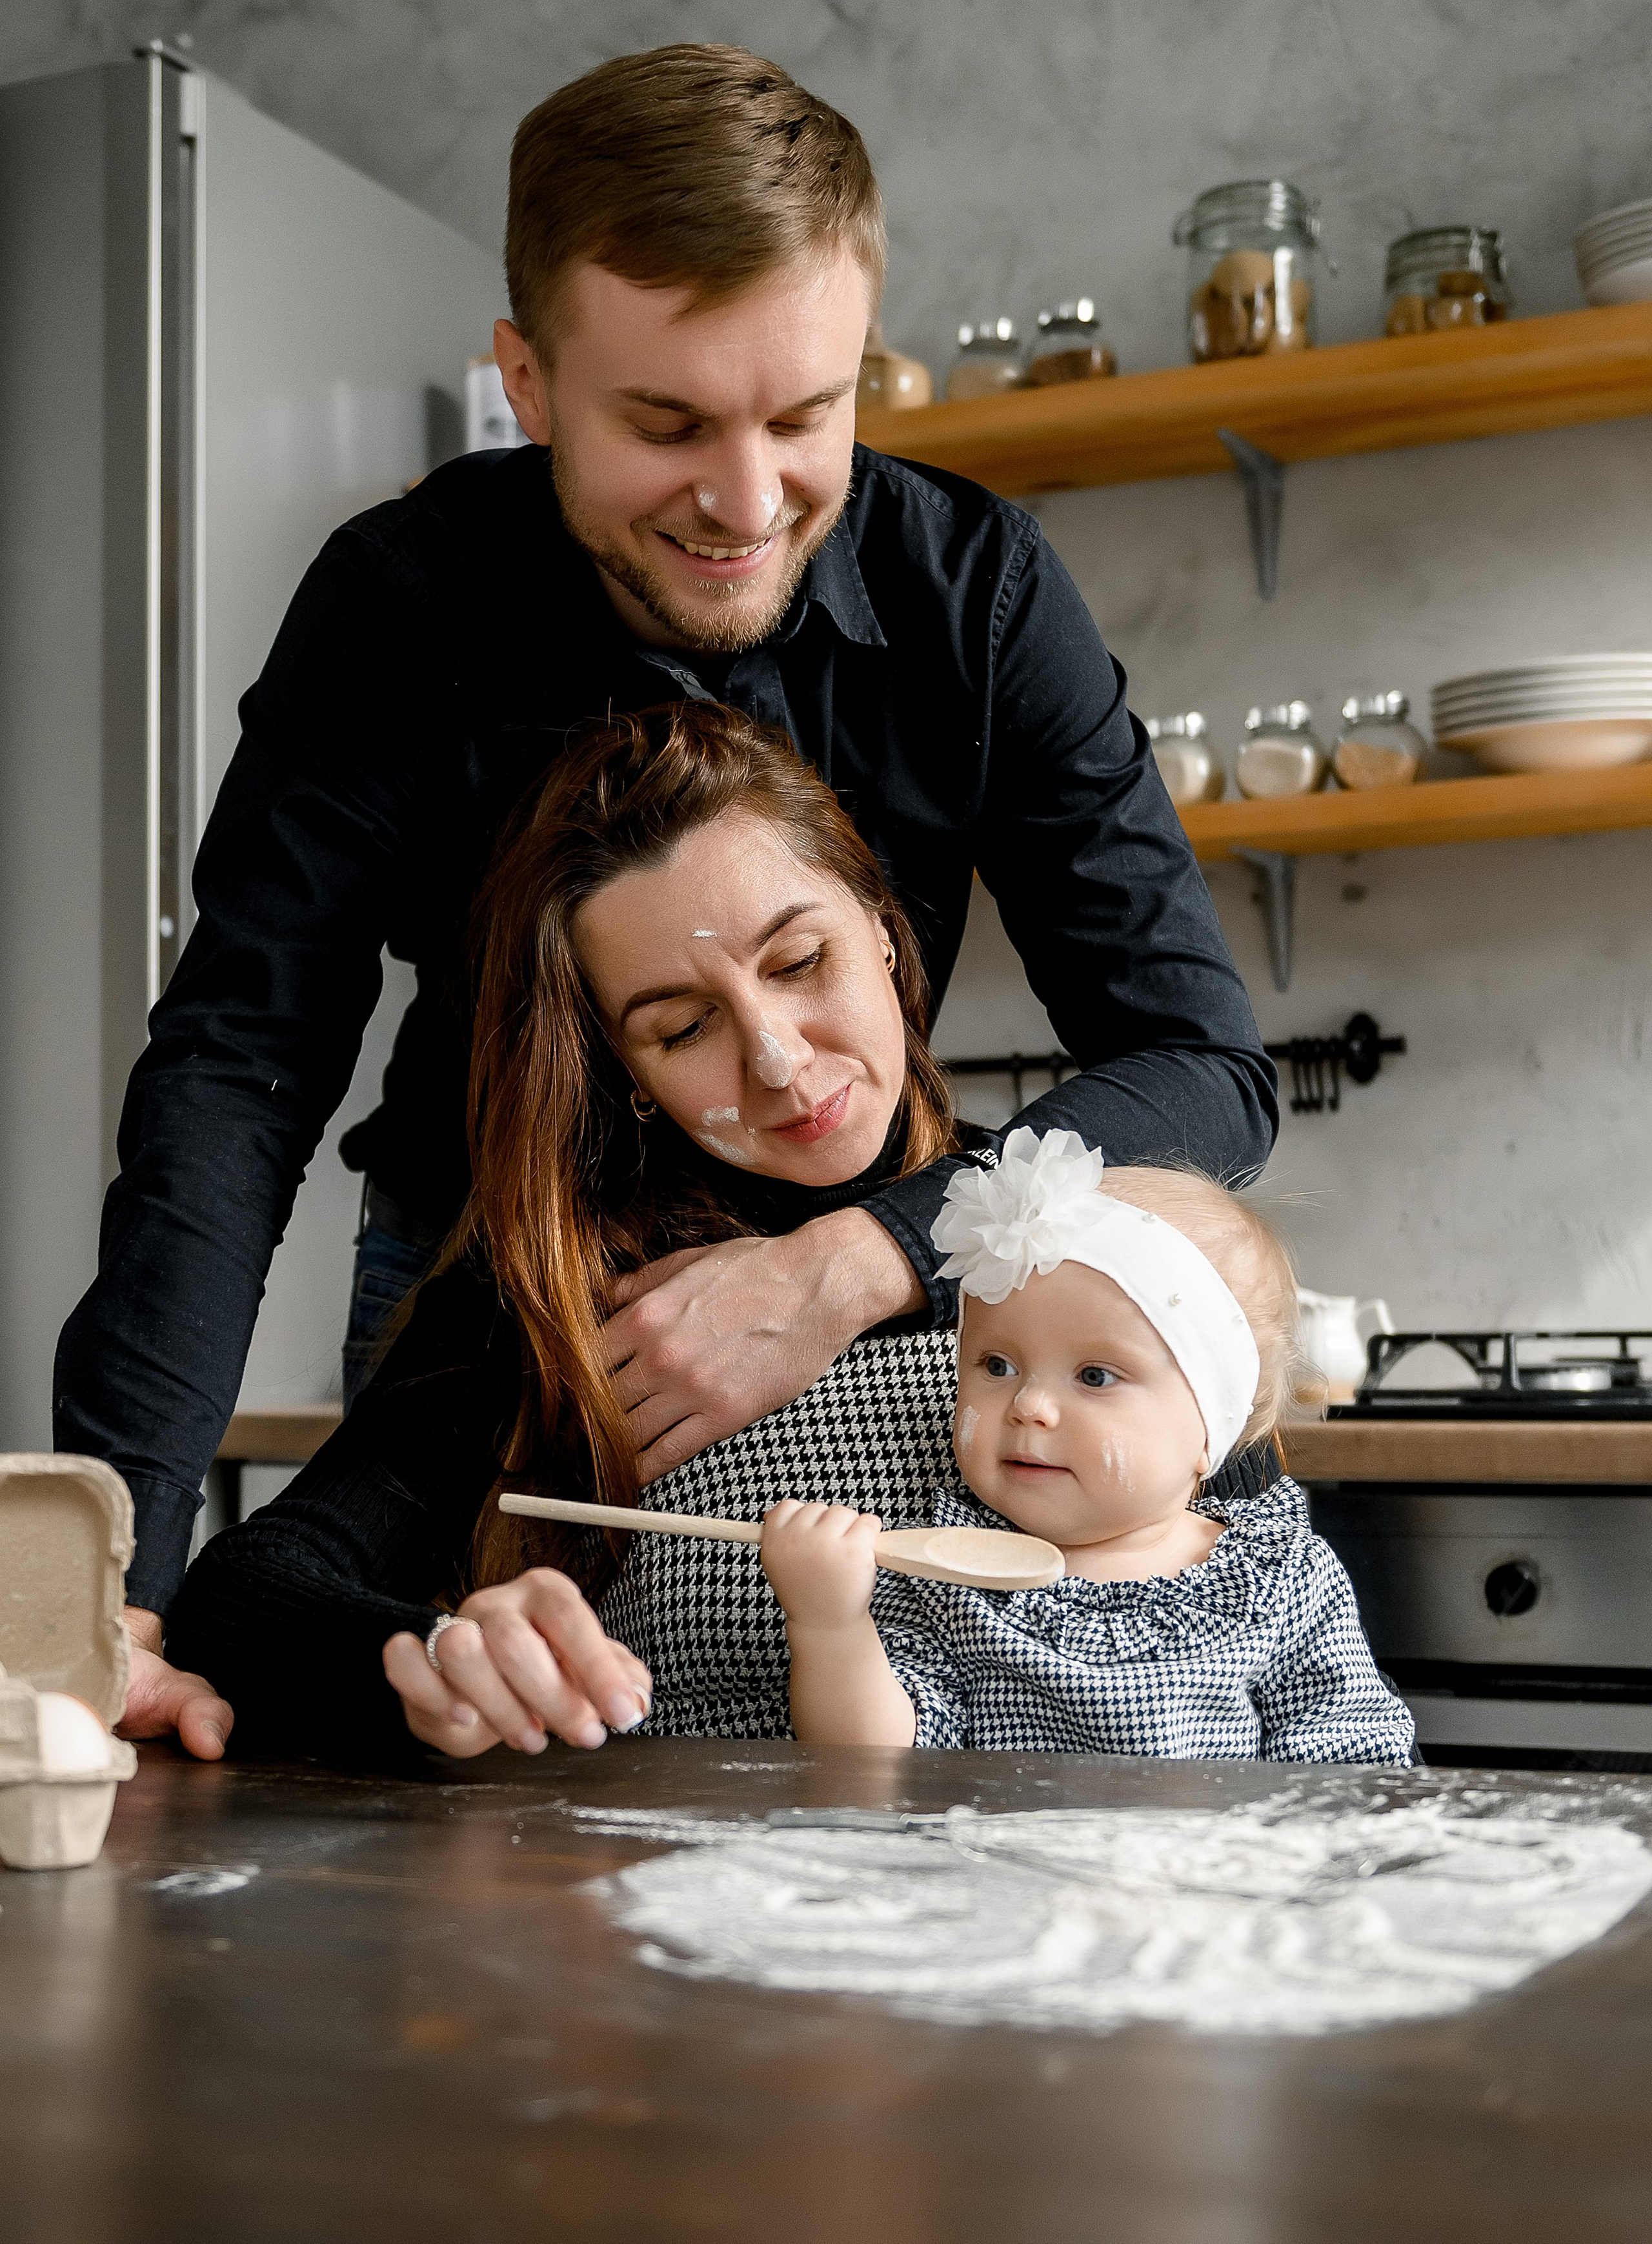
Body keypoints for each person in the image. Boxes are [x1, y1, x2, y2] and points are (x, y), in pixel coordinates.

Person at [60, 41, 1276, 1757]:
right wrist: (105, 1574)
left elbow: (1203, 1065)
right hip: (520, 1266)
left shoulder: (982, 601)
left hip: (916, 1233)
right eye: (667, 422)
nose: (748, 498)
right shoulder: (402, 612)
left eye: (805, 415)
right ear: (531, 382)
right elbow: (235, 1072)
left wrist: (857, 1257)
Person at [166, 708, 1276, 1761]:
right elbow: (243, 1596)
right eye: (683, 1026)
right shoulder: (561, 1289)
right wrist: (444, 1661)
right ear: (629, 1073)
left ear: (887, 937)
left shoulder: (1075, 1225)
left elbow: (1268, 1574)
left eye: (802, 963)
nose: (780, 1061)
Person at [758, 1132, 1415, 1763]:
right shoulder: (943, 1572)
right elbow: (876, 1772)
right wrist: (829, 1623)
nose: (1028, 1406)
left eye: (1095, 1376)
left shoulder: (1279, 1577)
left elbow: (1350, 1759)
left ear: (1208, 1426)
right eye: (995, 1364)